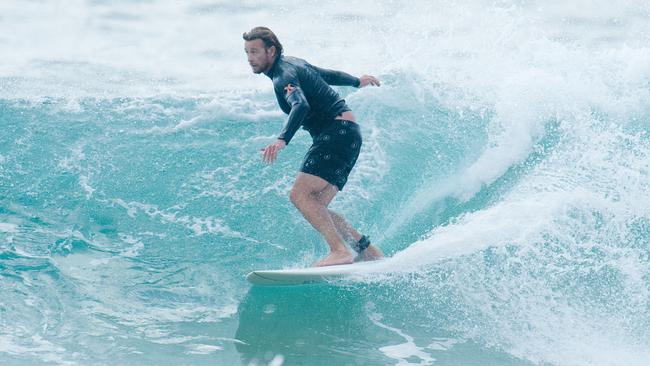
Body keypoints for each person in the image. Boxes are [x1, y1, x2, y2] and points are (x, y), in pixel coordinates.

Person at [243, 26, 384, 266]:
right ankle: (367, 250)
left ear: (271, 50)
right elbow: (327, 74)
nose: (249, 58)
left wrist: (282, 139)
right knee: (316, 205)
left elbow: (301, 106)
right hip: (348, 135)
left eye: (255, 52)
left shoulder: (283, 76)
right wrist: (356, 81)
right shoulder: (294, 64)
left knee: (300, 195)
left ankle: (339, 250)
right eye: (247, 52)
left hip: (335, 133)